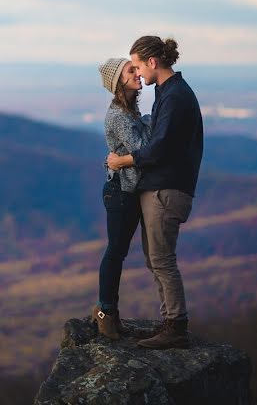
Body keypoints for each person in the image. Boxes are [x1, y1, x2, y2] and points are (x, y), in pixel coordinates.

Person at [107, 36, 203, 350]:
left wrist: (122, 160)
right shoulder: (168, 92)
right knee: (156, 260)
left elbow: (159, 148)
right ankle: (171, 323)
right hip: (163, 187)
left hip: (166, 190)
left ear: (152, 62)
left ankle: (176, 326)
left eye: (137, 65)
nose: (137, 73)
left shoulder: (175, 96)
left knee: (161, 260)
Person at [92, 57, 151, 339]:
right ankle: (105, 313)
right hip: (120, 192)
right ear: (118, 83)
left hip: (127, 191)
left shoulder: (130, 110)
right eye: (131, 70)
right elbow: (144, 149)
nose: (137, 72)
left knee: (118, 252)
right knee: (115, 252)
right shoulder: (119, 116)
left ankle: (109, 312)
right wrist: (156, 121)